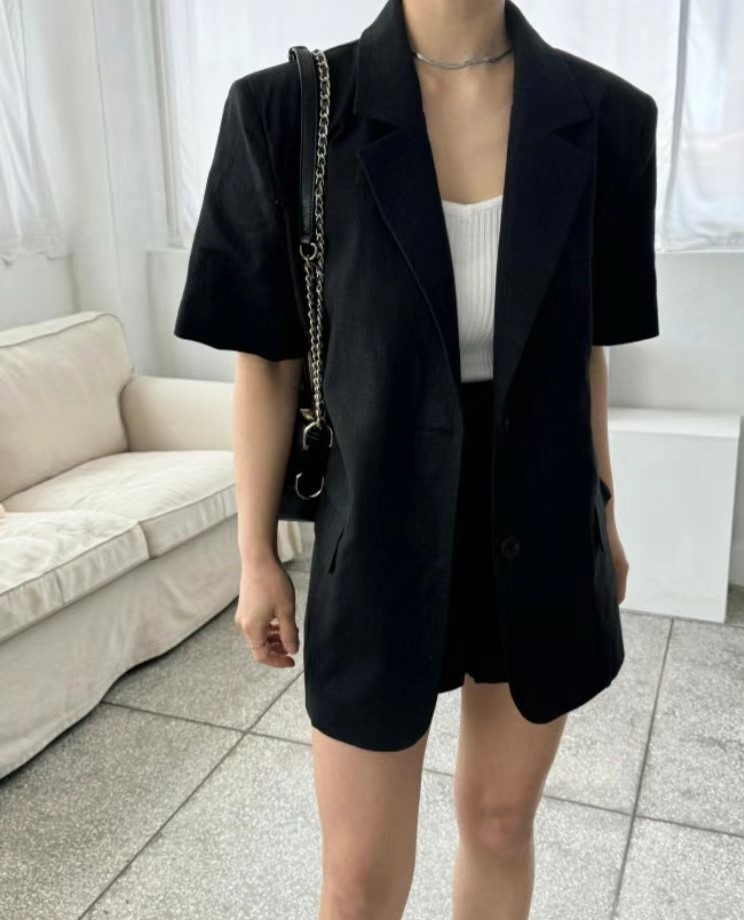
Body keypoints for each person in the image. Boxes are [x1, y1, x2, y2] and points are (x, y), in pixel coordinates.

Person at [173, 0, 659, 915]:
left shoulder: (607, 116)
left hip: (543, 518)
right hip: (377, 524)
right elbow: (268, 363)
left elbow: (586, 351)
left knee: (501, 824)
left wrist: (604, 514)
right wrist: (254, 556)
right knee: (358, 876)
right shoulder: (286, 111)